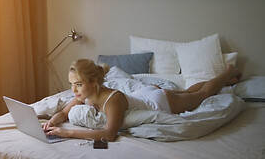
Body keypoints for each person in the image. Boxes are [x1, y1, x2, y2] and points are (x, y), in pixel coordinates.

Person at [42, 59, 241, 142]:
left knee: (201, 96)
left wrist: (67, 132)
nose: (73, 90)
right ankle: (226, 79)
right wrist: (53, 121)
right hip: (144, 94)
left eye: (77, 84)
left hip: (159, 101)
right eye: (71, 84)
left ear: (93, 81)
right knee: (188, 92)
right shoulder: (83, 94)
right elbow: (64, 113)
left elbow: (109, 134)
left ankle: (228, 73)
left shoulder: (113, 100)